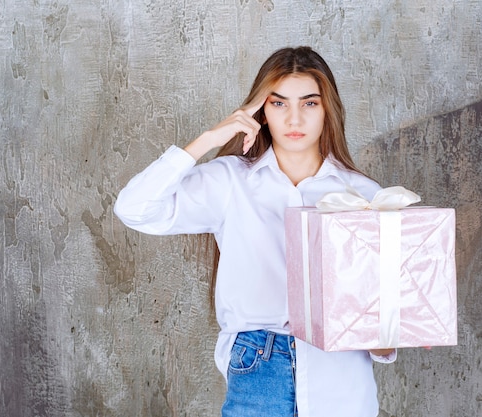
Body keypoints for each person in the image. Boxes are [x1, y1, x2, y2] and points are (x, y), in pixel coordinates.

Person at [114, 46, 396, 417]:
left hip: (340, 371)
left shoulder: (364, 195)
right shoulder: (231, 180)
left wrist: (385, 337)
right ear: (261, 111)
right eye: (279, 104)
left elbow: (381, 305)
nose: (294, 118)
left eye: (309, 103)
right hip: (259, 362)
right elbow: (133, 208)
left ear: (327, 109)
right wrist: (208, 140)